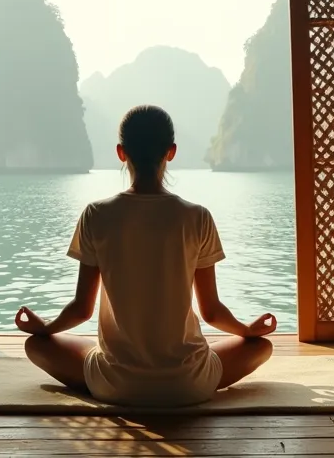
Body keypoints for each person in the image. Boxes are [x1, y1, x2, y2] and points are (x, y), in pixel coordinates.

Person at [14, 104, 276, 407]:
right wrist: (247, 330)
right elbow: (212, 311)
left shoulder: (96, 215)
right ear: (171, 151)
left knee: (37, 346)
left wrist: (44, 328)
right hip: (189, 384)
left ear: (121, 152)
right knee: (261, 348)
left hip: (115, 384)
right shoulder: (197, 217)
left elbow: (81, 310)